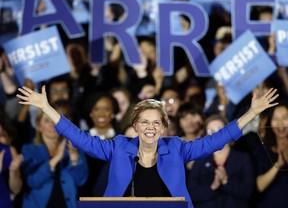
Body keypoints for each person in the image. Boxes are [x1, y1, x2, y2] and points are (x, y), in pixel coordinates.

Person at [16, 86, 279, 207]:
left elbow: (218, 139)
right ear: (136, 125)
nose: (150, 127)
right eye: (144, 122)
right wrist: (46, 108)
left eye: (156, 122)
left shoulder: (176, 147)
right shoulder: (118, 147)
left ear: (164, 127)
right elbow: (80, 137)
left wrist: (252, 113)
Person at [20, 110, 88, 208]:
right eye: (47, 121)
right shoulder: (29, 149)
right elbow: (33, 181)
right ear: (38, 125)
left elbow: (81, 180)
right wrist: (56, 159)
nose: (52, 124)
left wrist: (74, 158)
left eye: (54, 120)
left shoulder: (73, 147)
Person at [186, 114, 255, 208]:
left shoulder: (243, 158)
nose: (215, 134)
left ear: (228, 132)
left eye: (219, 130)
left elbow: (247, 192)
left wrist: (226, 181)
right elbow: (191, 193)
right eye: (210, 131)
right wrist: (213, 186)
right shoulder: (200, 159)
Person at [252, 102, 288, 208]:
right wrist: (278, 165)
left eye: (285, 117)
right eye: (275, 118)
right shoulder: (261, 150)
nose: (280, 123)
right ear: (270, 122)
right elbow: (258, 186)